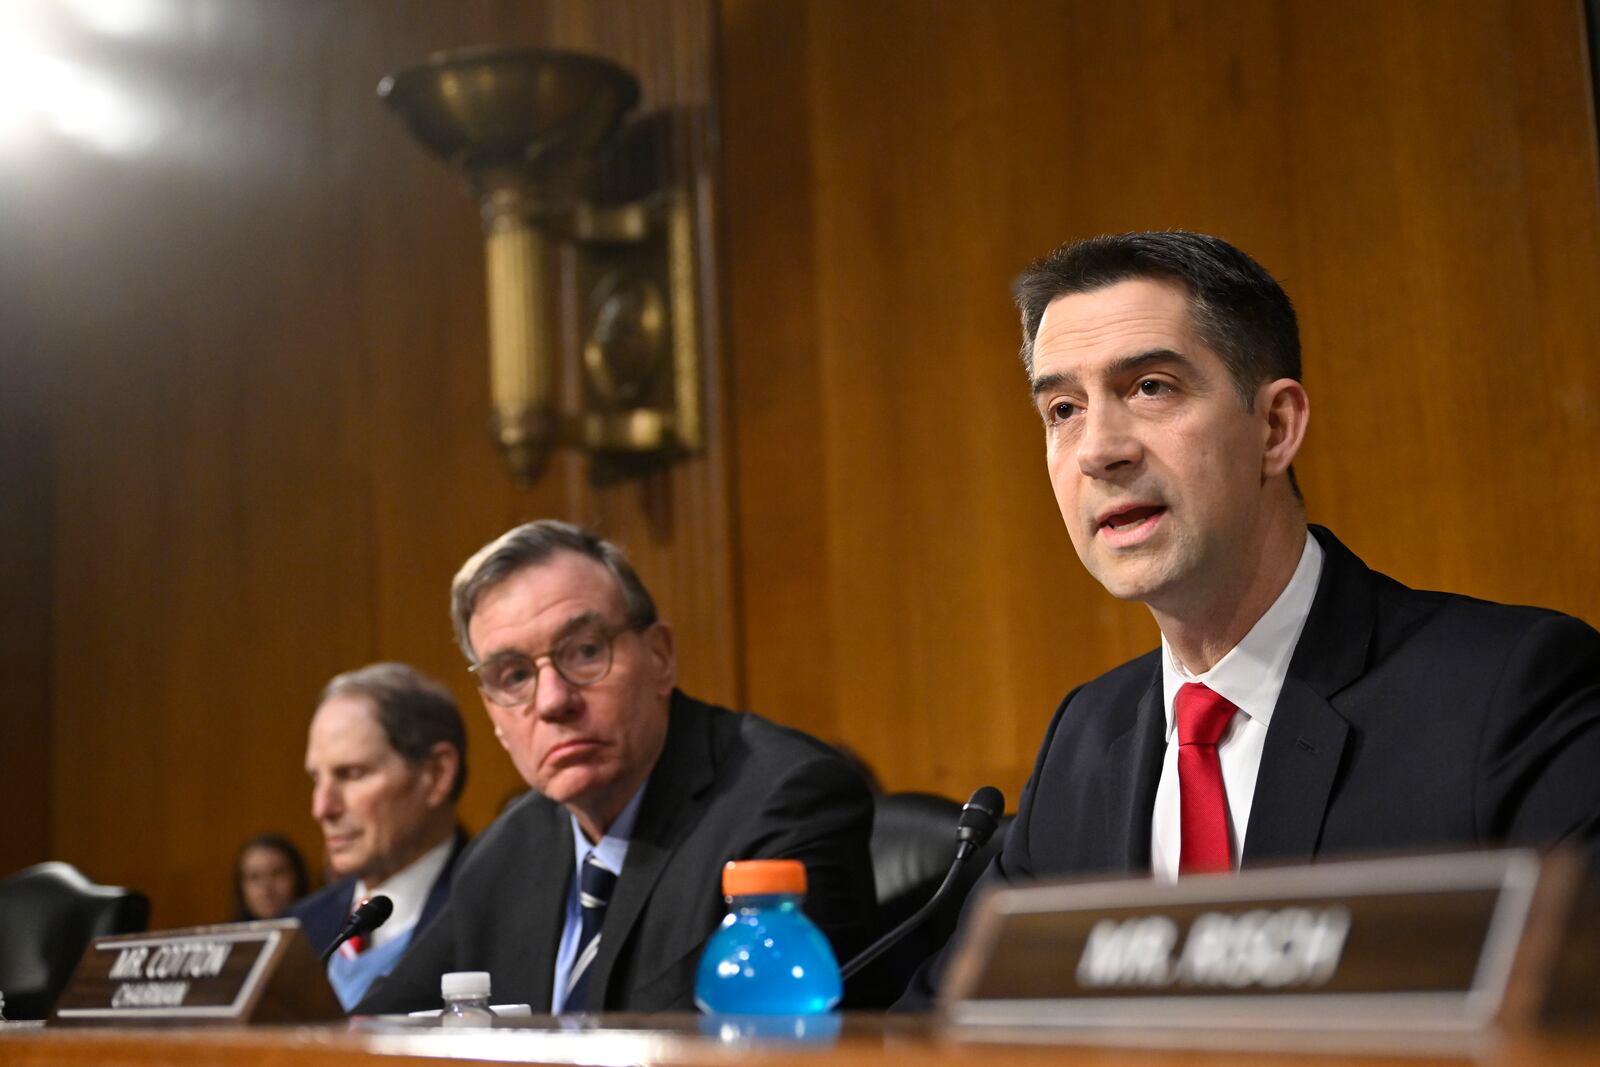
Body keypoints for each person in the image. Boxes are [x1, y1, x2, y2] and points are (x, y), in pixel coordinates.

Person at [899, 230, 1600, 1006]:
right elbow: (948, 1024)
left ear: (1275, 427)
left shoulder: (1508, 692)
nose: (1098, 448)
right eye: (1063, 408)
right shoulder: (1086, 742)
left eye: (1151, 387)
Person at [355, 521, 878, 1015]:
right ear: (493, 714)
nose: (553, 701)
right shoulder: (503, 856)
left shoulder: (786, 799)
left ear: (660, 658)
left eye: (584, 651)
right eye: (514, 676)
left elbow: (793, 1045)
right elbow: (371, 1031)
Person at [289, 662, 469, 1009]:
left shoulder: (496, 918)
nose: (322, 808)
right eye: (317, 779)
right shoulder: (297, 930)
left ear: (436, 773)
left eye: (352, 774)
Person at [231, 833, 310, 921]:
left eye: (277, 873)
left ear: (298, 878)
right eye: (254, 877)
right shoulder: (227, 934)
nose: (266, 887)